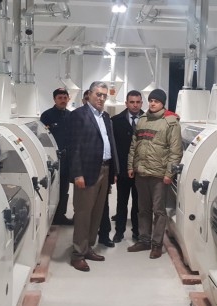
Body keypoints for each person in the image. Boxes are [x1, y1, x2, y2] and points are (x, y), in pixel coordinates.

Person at [67, 81, 118, 272]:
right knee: (83, 213)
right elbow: (74, 147)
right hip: (87, 172)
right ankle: (77, 254)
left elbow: (110, 143)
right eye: (98, 94)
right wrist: (77, 174)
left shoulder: (105, 116)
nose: (102, 98)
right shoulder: (78, 115)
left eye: (104, 95)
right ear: (89, 94)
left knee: (97, 212)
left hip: (104, 169)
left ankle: (88, 247)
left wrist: (113, 170)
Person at [127, 89, 182, 259]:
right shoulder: (143, 119)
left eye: (156, 101)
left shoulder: (170, 122)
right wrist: (131, 166)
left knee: (159, 211)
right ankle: (144, 240)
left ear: (162, 103)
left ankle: (157, 244)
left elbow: (175, 151)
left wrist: (169, 174)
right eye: (150, 100)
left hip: (159, 175)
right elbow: (134, 145)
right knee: (143, 209)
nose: (152, 103)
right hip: (141, 172)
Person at [110, 90, 144, 243]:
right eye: (132, 102)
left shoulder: (148, 120)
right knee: (121, 202)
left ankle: (137, 232)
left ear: (141, 103)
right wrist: (114, 171)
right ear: (126, 103)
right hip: (123, 170)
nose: (135, 105)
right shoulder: (116, 121)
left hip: (141, 170)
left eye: (137, 102)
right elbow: (113, 148)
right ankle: (119, 232)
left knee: (138, 204)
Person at [40, 88, 73, 225]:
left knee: (64, 188)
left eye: (65, 98)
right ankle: (50, 217)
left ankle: (60, 216)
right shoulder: (46, 116)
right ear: (54, 99)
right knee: (52, 188)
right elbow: (42, 138)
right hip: (52, 159)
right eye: (60, 98)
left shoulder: (71, 116)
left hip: (67, 159)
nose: (63, 100)